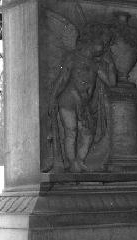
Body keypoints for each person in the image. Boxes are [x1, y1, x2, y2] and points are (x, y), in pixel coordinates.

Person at [47, 24, 116, 172]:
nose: (103, 47)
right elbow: (63, 79)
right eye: (101, 43)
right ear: (91, 40)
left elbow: (111, 83)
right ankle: (72, 162)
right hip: (68, 100)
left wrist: (110, 65)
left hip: (83, 104)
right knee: (71, 131)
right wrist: (53, 98)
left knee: (88, 134)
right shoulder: (73, 57)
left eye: (105, 45)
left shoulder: (96, 65)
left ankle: (79, 160)